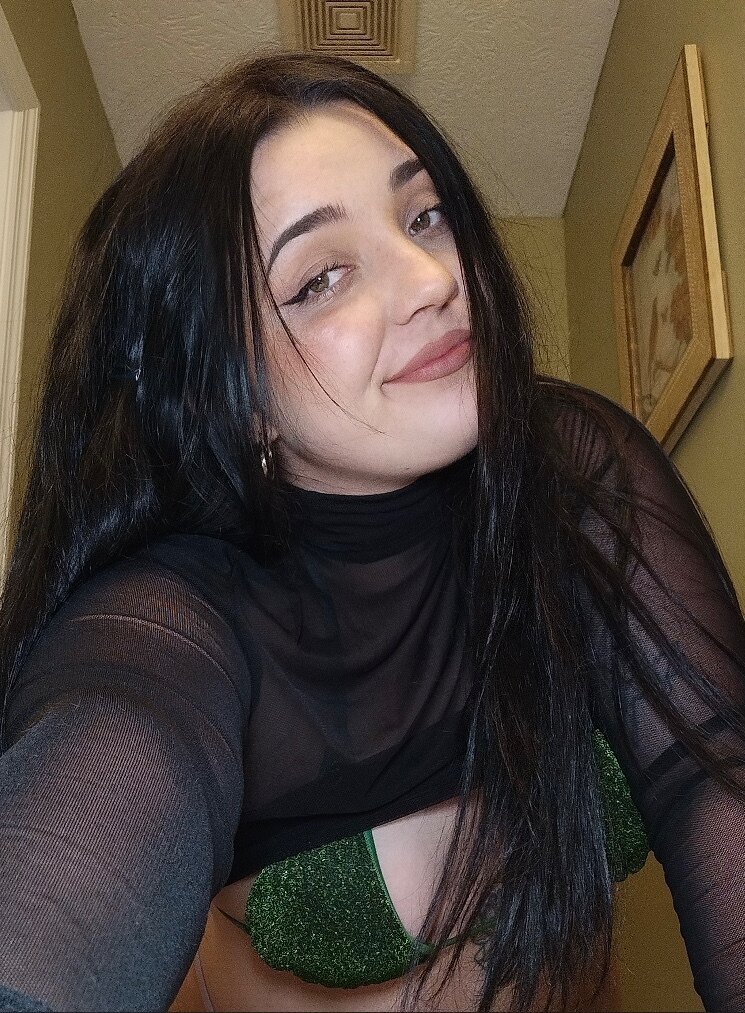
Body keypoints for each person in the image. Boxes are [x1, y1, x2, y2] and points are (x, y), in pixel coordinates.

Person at [0, 50, 743, 1013]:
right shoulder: (170, 621)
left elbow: (712, 775)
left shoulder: (572, 470)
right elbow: (78, 839)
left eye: (423, 215)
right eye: (320, 278)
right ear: (228, 397)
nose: (432, 277)